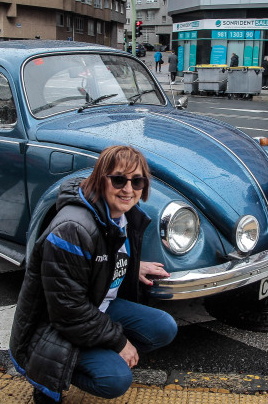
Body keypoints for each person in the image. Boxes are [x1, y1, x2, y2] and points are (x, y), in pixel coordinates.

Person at [9, 145, 178, 403]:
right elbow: (67, 310)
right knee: (115, 379)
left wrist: (134, 265)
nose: (128, 189)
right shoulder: (72, 229)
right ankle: (46, 378)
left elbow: (104, 254)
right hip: (53, 325)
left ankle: (93, 346)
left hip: (97, 307)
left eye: (137, 180)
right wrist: (119, 342)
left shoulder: (122, 214)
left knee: (163, 327)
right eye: (119, 179)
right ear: (101, 179)